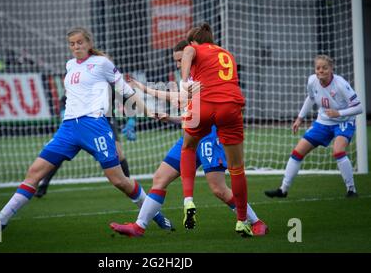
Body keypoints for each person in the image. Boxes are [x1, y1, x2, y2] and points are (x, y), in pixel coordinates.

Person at [0, 27, 173, 231]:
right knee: (34, 173)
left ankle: (154, 214)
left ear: (89, 43)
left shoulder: (102, 63)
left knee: (119, 180)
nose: (76, 46)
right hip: (68, 128)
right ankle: (1, 219)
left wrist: (148, 112)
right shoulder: (70, 65)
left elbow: (126, 91)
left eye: (80, 42)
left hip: (94, 126)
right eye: (72, 43)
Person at [109, 40, 268, 237]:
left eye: (179, 60)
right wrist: (162, 109)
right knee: (159, 178)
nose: (177, 65)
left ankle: (256, 221)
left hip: (208, 137)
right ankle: (139, 226)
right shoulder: (191, 78)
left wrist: (144, 89)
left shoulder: (202, 77)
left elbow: (183, 102)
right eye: (176, 61)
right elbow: (186, 109)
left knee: (218, 189)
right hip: (189, 137)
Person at [179, 23, 251, 237]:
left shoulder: (193, 49)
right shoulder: (226, 53)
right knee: (237, 168)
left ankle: (189, 200)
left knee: (188, 147)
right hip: (230, 105)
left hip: (204, 103)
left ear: (194, 41)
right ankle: (241, 221)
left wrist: (184, 82)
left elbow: (188, 52)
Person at [265, 54, 363, 199]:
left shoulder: (340, 84)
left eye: (324, 68)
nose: (321, 71)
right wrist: (299, 118)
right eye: (318, 68)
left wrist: (338, 113)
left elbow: (359, 108)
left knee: (338, 151)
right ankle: (283, 190)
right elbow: (311, 98)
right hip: (323, 122)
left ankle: (351, 190)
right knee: (297, 152)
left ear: (331, 69)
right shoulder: (312, 81)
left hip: (343, 121)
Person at [34, 93, 135, 198]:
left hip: (105, 120)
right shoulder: (74, 88)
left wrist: (131, 120)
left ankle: (128, 185)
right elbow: (64, 105)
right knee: (59, 154)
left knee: (118, 153)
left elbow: (128, 99)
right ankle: (44, 183)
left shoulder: (107, 84)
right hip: (79, 123)